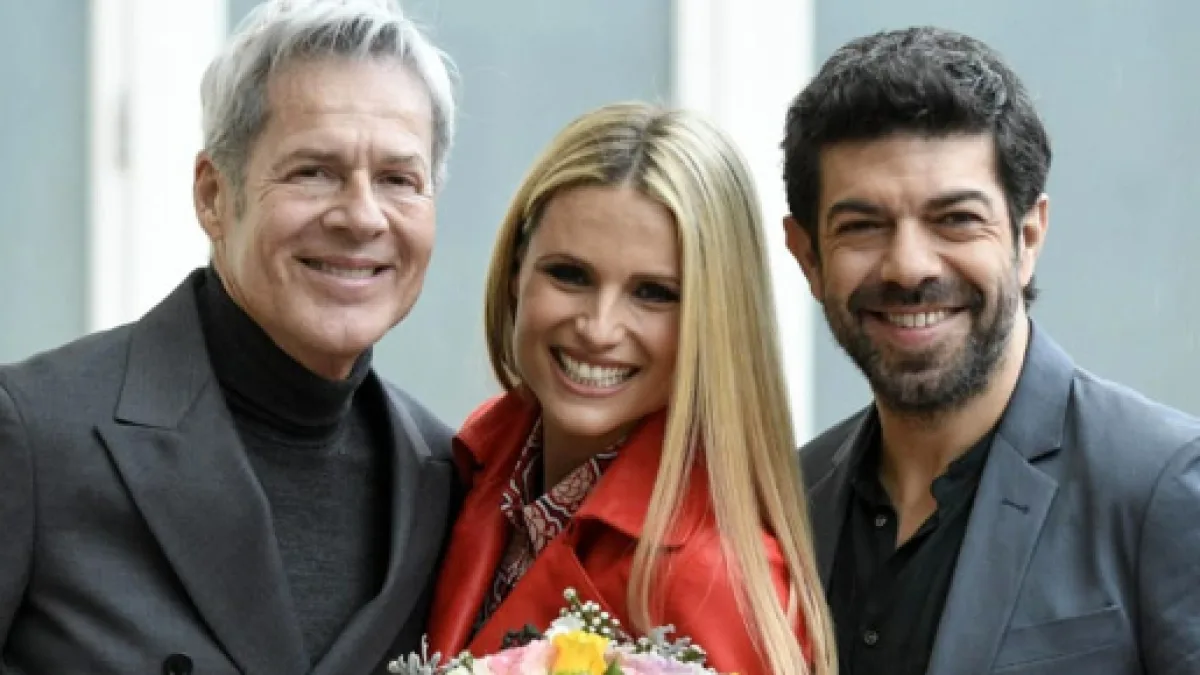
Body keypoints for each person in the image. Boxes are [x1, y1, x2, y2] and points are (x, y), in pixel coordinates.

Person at [0, 1, 461, 673]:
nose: (362, 216)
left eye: (398, 179)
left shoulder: (448, 480)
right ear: (213, 195)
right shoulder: (34, 435)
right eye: (314, 171)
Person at [782, 25, 1200, 675]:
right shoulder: (788, 501)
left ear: (1027, 237)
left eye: (955, 219)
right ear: (808, 256)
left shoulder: (1162, 486)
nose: (908, 266)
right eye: (862, 226)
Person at [424, 103, 836, 675]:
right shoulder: (473, 460)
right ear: (517, 271)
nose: (598, 329)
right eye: (569, 275)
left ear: (717, 317)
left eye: (654, 293)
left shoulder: (717, 578)